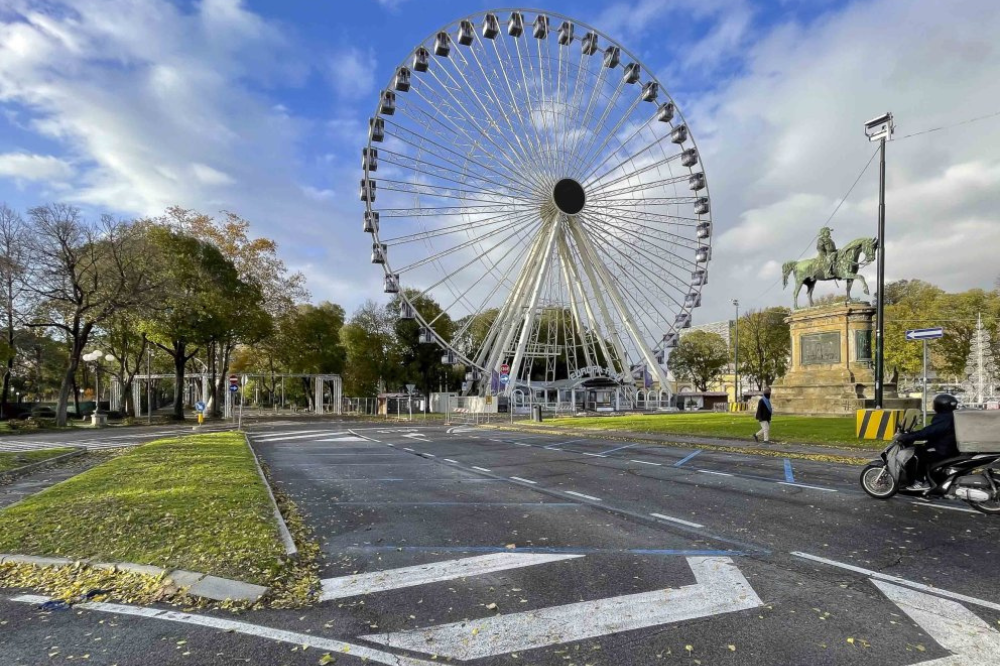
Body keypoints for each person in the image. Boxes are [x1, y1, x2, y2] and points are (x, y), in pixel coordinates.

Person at [896, 393, 960, 490]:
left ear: (939, 406)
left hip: (942, 449)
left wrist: (908, 437)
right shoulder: (951, 416)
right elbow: (931, 431)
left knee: (917, 455)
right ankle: (932, 478)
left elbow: (929, 432)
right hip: (948, 447)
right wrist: (913, 435)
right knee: (922, 449)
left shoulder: (944, 418)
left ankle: (921, 482)